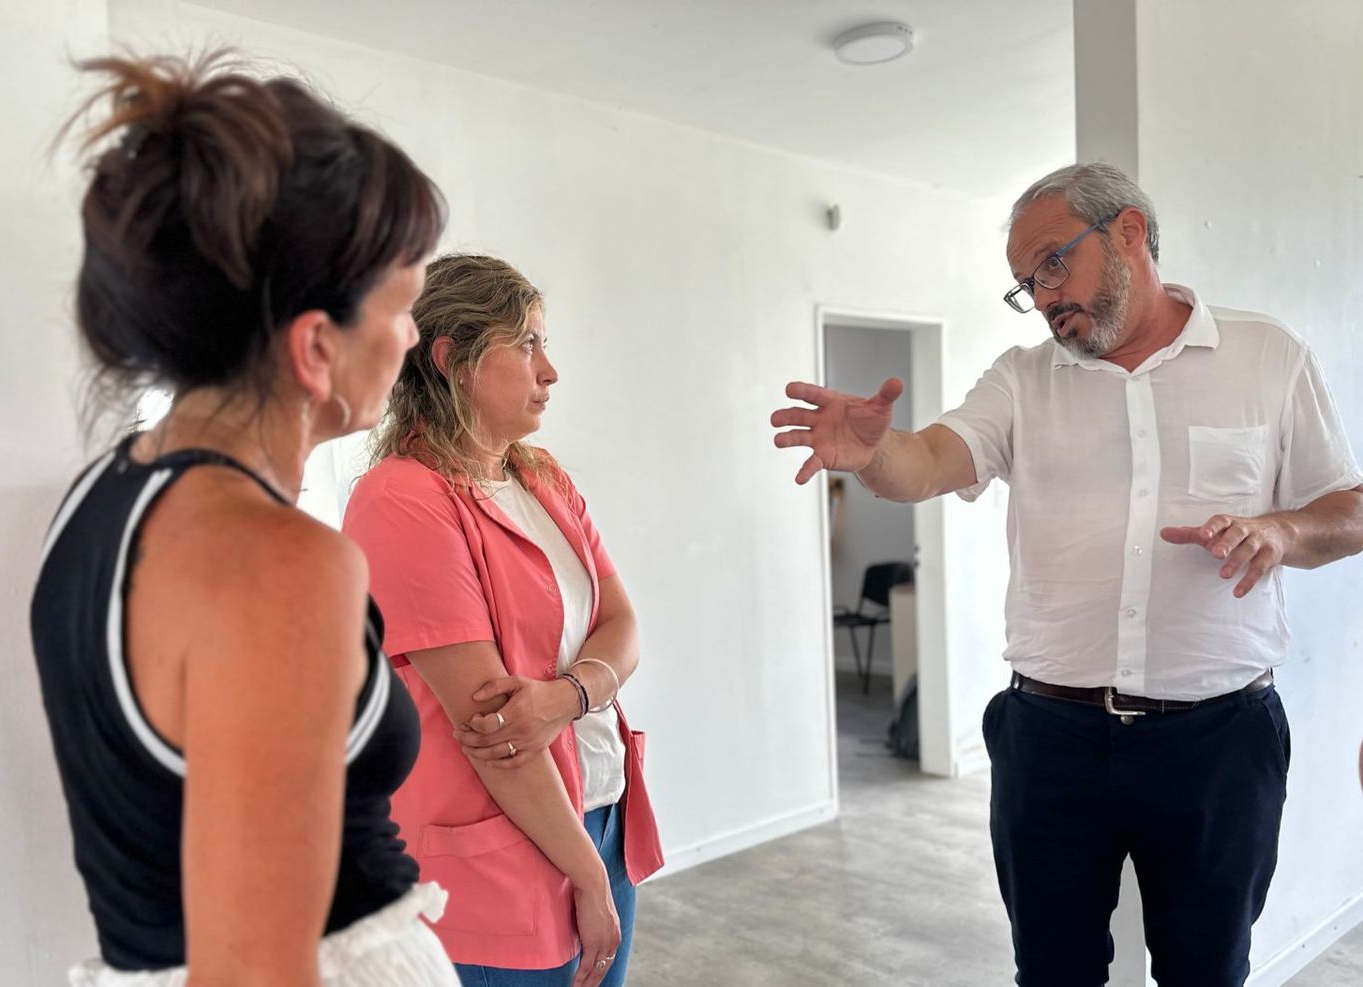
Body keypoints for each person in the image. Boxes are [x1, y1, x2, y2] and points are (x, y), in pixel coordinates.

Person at [771, 162, 1363, 986]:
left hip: (1218, 740)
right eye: (1025, 283)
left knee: (1209, 968)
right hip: (1051, 737)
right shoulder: (1022, 378)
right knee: (1052, 971)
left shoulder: (1266, 356)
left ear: (1127, 232)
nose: (1043, 295)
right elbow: (930, 460)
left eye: (1054, 263)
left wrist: (1282, 527)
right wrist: (873, 454)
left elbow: (1351, 508)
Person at [29, 51, 457, 986]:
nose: (414, 339)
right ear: (315, 346)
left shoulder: (96, 503)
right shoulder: (280, 564)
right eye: (406, 305)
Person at [343, 254, 663, 987]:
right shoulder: (401, 499)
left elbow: (623, 622)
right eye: (527, 344)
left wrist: (570, 695)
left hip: (604, 814)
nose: (550, 371)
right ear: (452, 359)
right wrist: (586, 878)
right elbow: (495, 731)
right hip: (507, 852)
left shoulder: (541, 476)